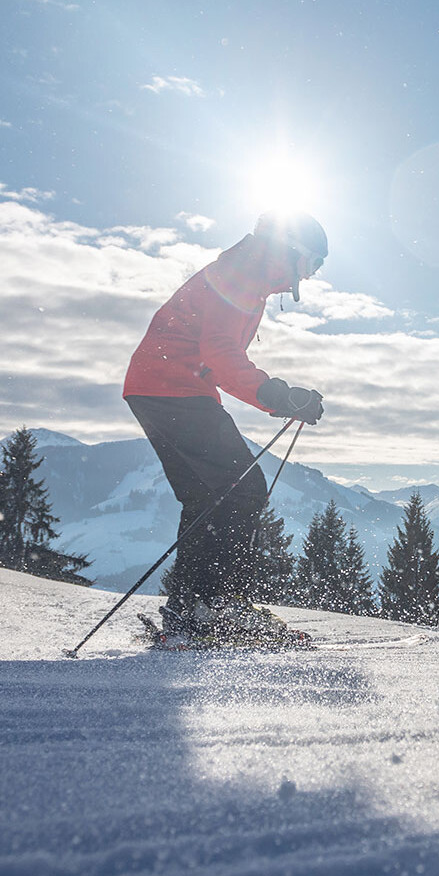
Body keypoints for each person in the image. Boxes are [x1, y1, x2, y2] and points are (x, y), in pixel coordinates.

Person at [123, 211, 329, 646]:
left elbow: (218, 355)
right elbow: (218, 351)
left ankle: (190, 611)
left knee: (205, 496)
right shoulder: (241, 275)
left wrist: (277, 398)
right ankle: (219, 607)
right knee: (243, 486)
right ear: (294, 251)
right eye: (313, 265)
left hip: (158, 386)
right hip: (173, 387)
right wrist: (278, 396)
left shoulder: (245, 272)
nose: (309, 277)